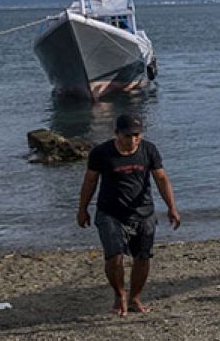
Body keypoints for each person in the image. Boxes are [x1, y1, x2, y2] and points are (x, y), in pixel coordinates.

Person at [77, 114, 181, 317]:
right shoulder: (101, 153)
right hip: (110, 213)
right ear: (117, 134)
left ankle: (135, 298)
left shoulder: (149, 150)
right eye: (127, 136)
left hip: (143, 212)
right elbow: (90, 181)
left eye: (136, 135)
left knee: (142, 257)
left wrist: (172, 207)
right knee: (114, 257)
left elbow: (161, 178)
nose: (132, 140)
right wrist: (82, 209)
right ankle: (119, 294)